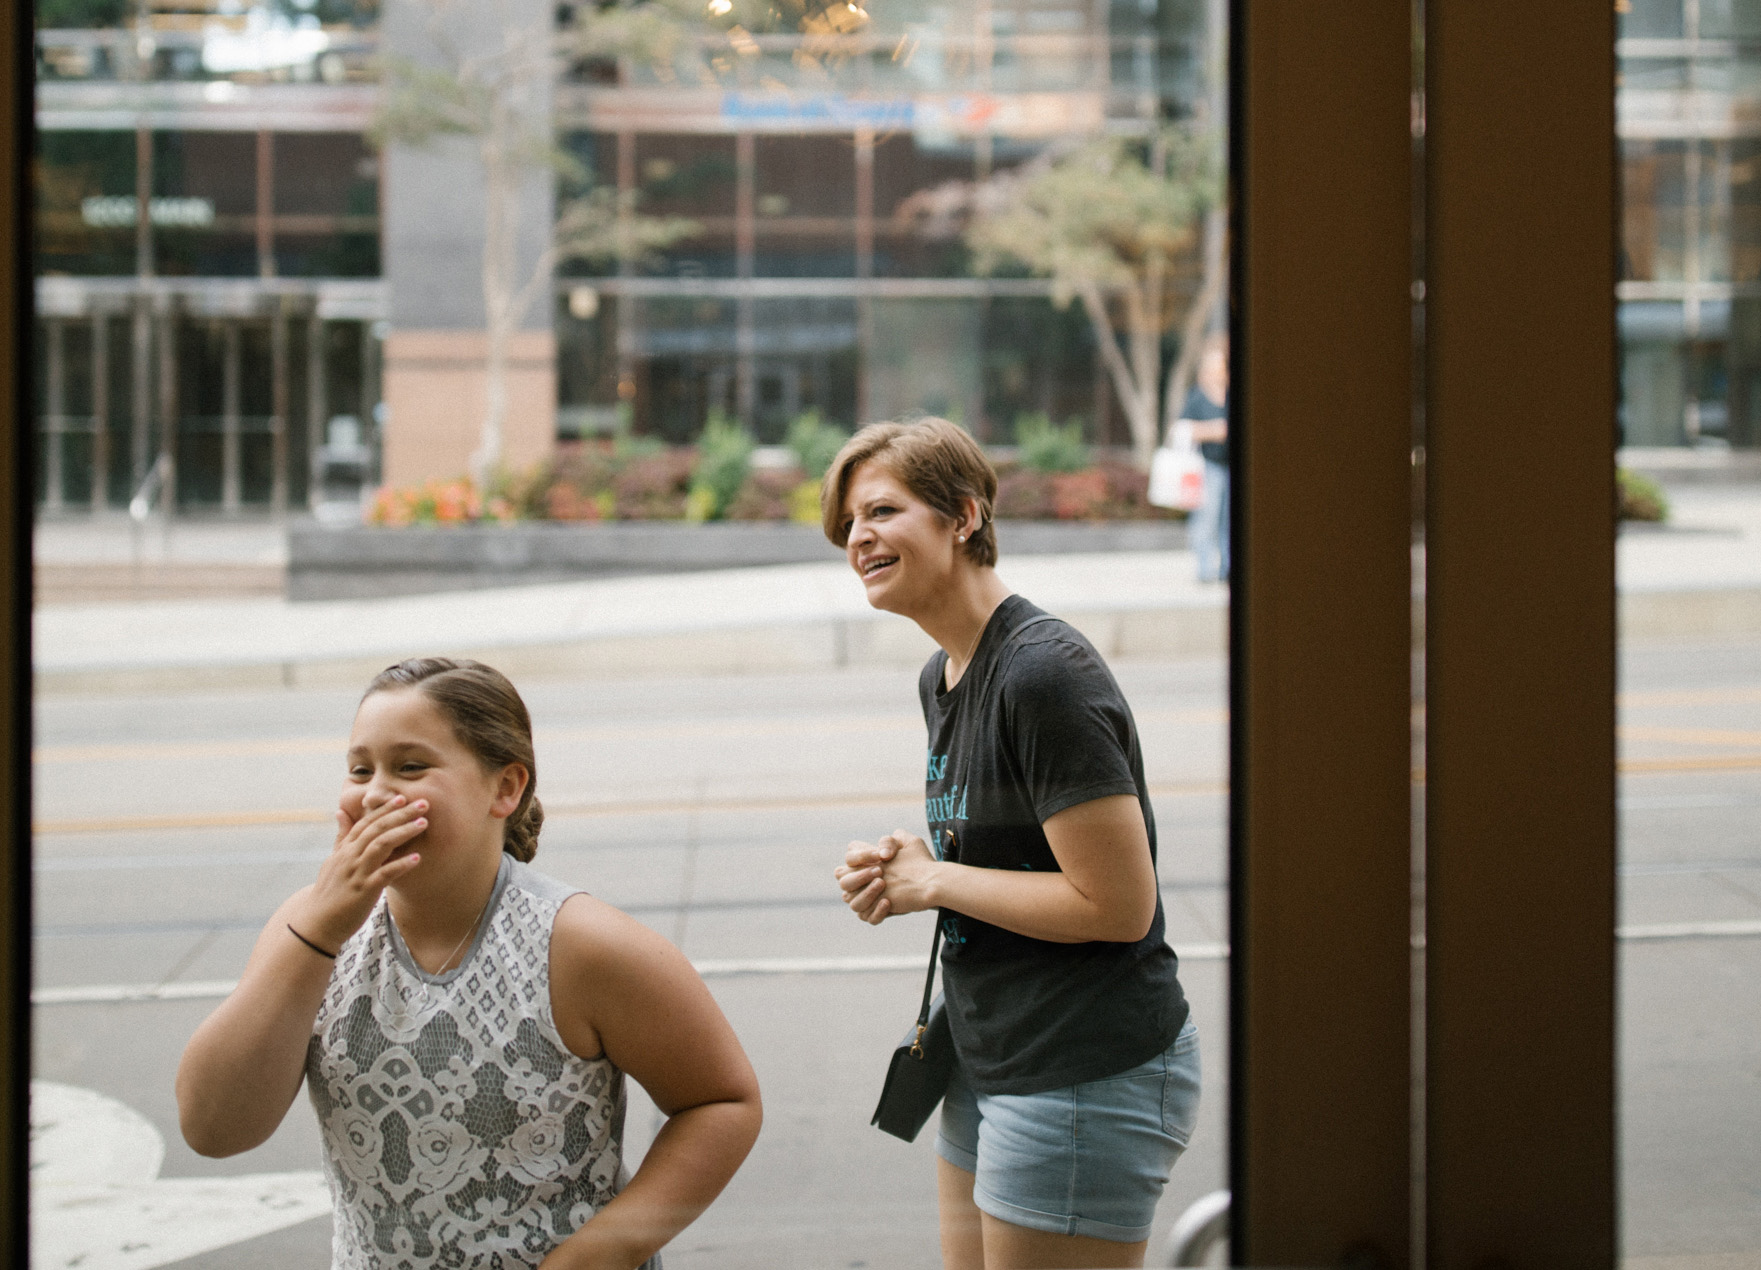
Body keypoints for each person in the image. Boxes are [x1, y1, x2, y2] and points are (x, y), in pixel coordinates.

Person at [177, 657, 762, 1269]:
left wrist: (597, 1256)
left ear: (505, 788)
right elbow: (214, 1129)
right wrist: (317, 932)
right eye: (359, 769)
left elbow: (721, 1103)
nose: (376, 792)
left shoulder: (582, 944)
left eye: (410, 767)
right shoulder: (307, 931)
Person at [823, 419, 1196, 1270]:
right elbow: (1009, 860)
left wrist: (937, 880)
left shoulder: (1042, 674)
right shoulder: (945, 673)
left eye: (882, 510)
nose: (859, 538)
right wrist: (905, 871)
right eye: (848, 523)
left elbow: (1116, 905)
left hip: (1082, 1069)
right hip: (988, 1058)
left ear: (963, 516)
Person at [1180, 339, 1230, 584]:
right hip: (1209, 467)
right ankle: (1205, 569)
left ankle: (1227, 569)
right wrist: (1214, 430)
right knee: (1206, 520)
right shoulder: (1198, 397)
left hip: (1230, 466)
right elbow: (1182, 428)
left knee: (1228, 521)